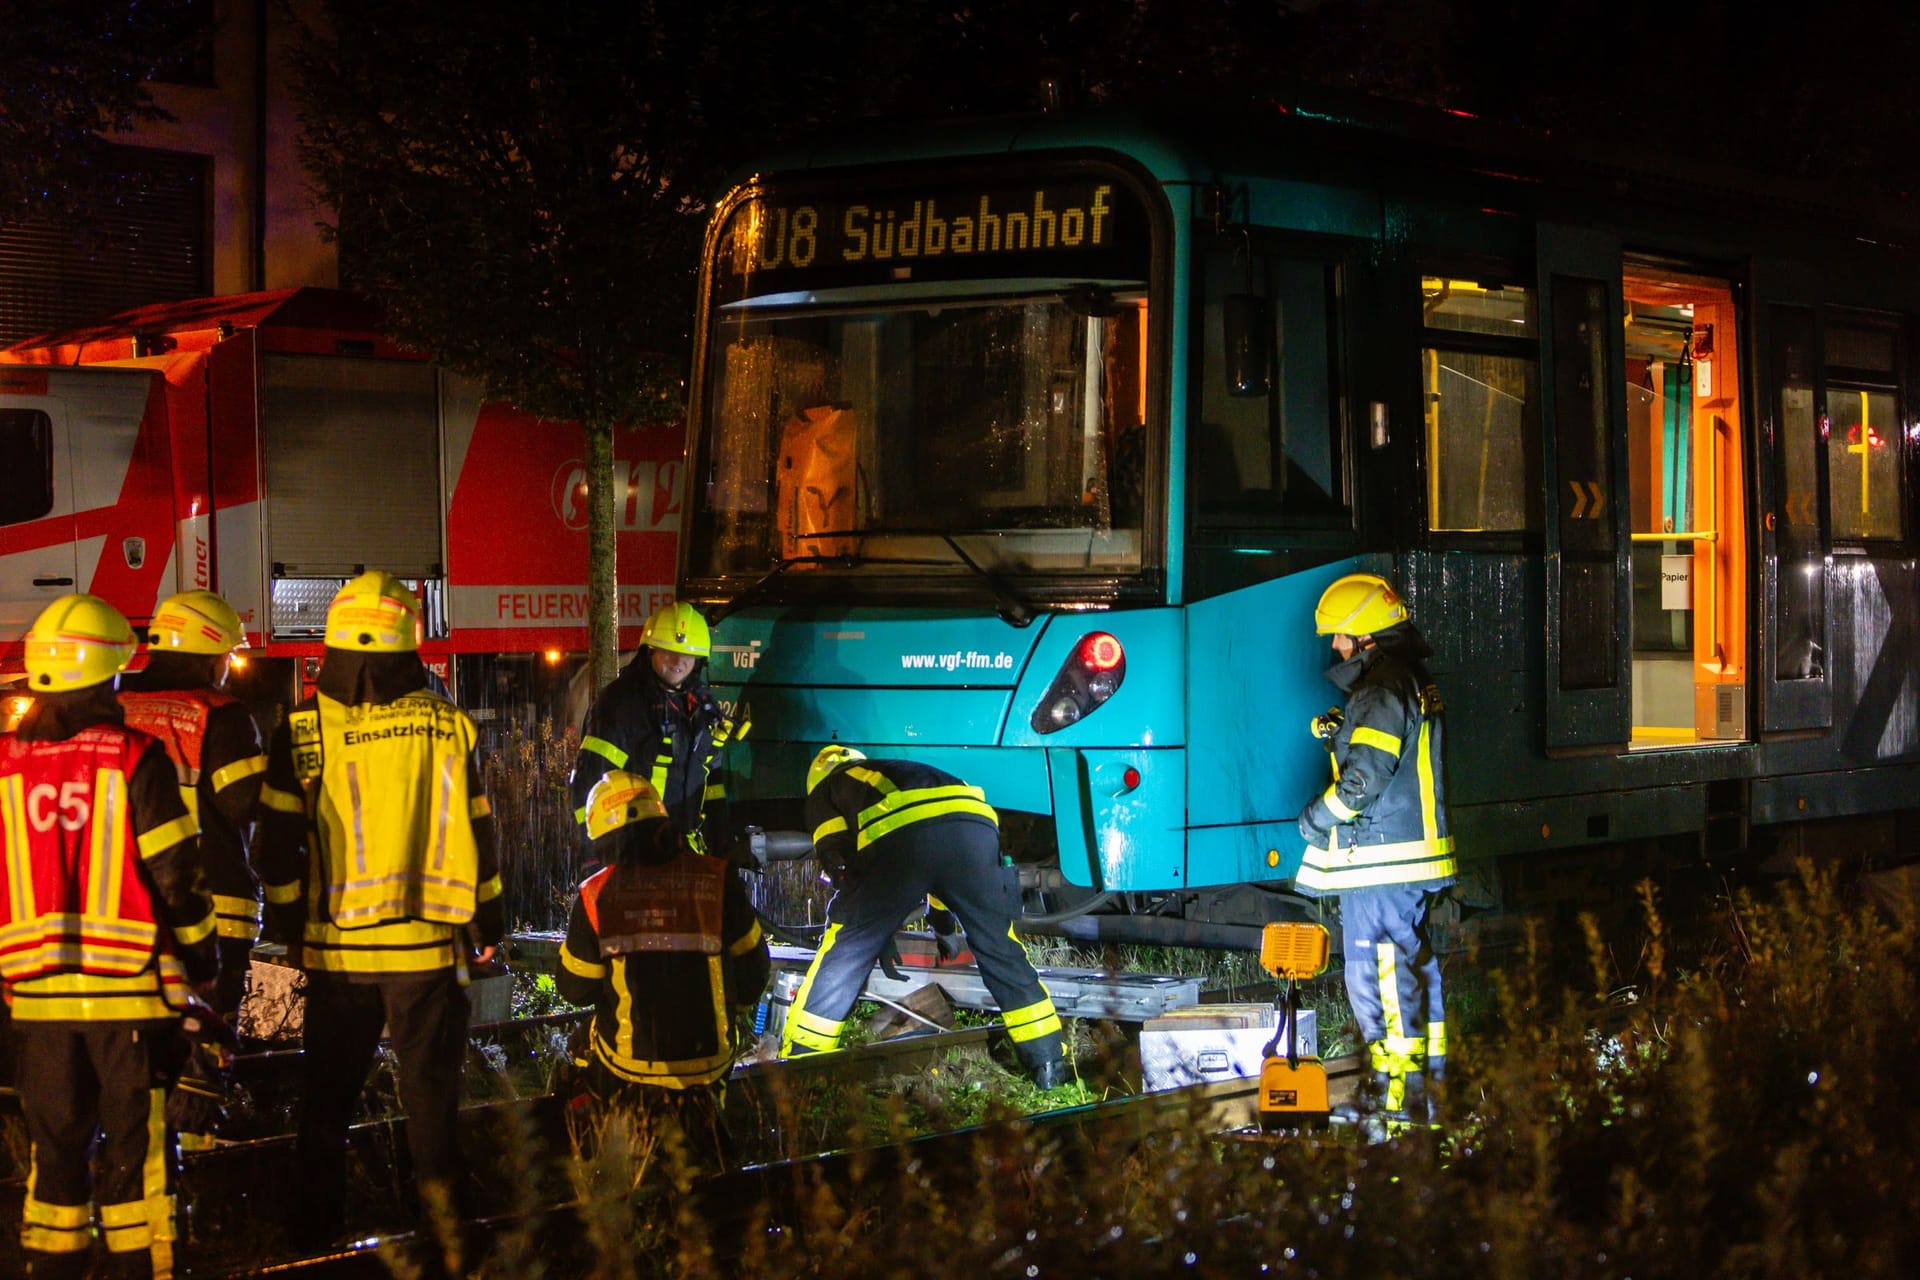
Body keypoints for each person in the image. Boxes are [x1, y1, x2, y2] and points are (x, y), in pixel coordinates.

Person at [253, 571, 503, 1254]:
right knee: (431, 1114)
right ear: (407, 650)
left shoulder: (302, 730)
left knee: (325, 1110)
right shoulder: (447, 726)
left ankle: (313, 1244)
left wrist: (286, 931)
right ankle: (446, 1245)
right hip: (424, 956)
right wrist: (490, 923)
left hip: (336, 961)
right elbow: (480, 831)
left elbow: (275, 848)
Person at [1, 594, 218, 1280]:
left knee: (54, 1172)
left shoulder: (5, 766)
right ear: (107, 677)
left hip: (34, 1007)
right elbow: (178, 875)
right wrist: (203, 959)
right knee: (138, 1171)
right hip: (127, 1001)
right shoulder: (134, 757)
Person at [781, 746, 1068, 1088]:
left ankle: (801, 1062)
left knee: (844, 952)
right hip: (978, 826)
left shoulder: (830, 786)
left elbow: (837, 858)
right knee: (1000, 948)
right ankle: (1049, 1062)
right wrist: (944, 924)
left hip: (905, 838)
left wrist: (870, 929)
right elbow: (942, 857)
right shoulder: (898, 771)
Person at [1293, 572, 1454, 1133]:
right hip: (1410, 861)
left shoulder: (1381, 691)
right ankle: (1426, 1104)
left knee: (1380, 986)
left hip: (1382, 863)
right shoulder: (1405, 681)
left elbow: (1363, 781)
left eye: (1340, 637)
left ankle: (1399, 1116)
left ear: (1365, 637)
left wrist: (1315, 819)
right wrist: (1348, 727)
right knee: (1414, 979)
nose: (1335, 647)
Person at [554, 771, 769, 1175]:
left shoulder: (596, 894)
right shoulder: (718, 878)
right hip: (711, 1065)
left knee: (577, 1050)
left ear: (602, 835)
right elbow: (755, 973)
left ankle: (605, 1161)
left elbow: (575, 988)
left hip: (628, 1068)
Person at [117, 590, 265, 1147]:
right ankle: (202, 1167)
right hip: (214, 906)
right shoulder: (221, 714)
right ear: (210, 654)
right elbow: (245, 805)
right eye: (227, 655)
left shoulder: (118, 705)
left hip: (129, 910)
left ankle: (142, 1153)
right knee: (204, 1048)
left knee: (138, 1046)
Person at [569, 601, 739, 856]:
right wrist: (595, 853)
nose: (678, 661)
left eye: (688, 654)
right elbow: (589, 782)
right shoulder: (622, 704)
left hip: (686, 852)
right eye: (668, 651)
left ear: (700, 660)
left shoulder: (701, 708)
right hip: (635, 853)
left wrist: (723, 846)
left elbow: (711, 784)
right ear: (649, 651)